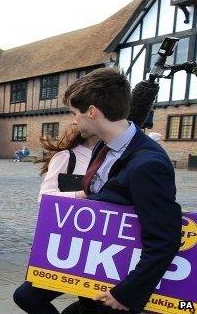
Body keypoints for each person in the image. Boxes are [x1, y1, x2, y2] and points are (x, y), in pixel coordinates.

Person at [64, 67, 181, 313]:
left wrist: (127, 294)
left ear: (92, 112)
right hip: (97, 265)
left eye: (74, 113)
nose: (73, 120)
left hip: (123, 279)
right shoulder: (103, 147)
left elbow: (165, 239)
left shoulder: (148, 164)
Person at [14, 126, 99, 314]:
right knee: (26, 296)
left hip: (99, 246)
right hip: (68, 242)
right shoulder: (68, 157)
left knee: (88, 305)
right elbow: (45, 197)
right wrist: (82, 194)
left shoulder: (115, 157)